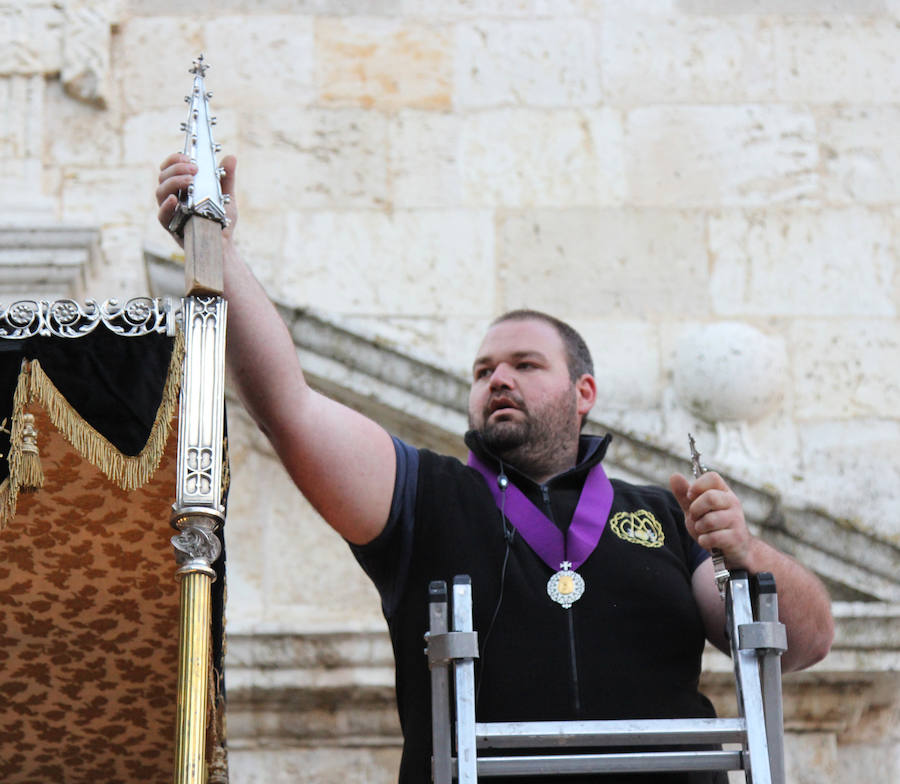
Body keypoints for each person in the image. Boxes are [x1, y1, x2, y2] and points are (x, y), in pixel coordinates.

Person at [157, 153, 834, 783]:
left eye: (526, 365)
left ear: (584, 394)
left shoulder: (664, 516)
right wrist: (217, 248)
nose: (498, 379)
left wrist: (745, 551)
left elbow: (807, 642)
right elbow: (288, 408)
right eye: (483, 371)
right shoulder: (423, 497)